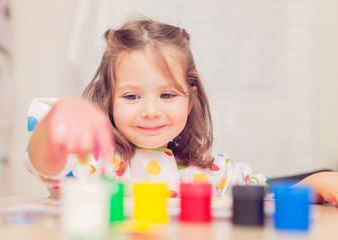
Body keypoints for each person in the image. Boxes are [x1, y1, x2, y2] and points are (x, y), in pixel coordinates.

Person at [26, 16, 338, 203]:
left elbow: (262, 196)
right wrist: (55, 126)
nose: (150, 111)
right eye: (131, 97)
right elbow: (47, 166)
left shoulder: (207, 171)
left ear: (190, 99)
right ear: (108, 99)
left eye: (167, 95)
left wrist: (316, 183)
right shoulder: (96, 162)